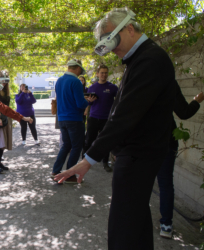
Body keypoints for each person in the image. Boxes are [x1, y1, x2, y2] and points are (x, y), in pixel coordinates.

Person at [55, 7, 176, 250]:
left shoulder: (149, 60)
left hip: (138, 155)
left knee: (124, 224)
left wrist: (88, 158)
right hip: (135, 152)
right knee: (136, 220)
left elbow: (124, 116)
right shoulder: (142, 58)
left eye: (111, 38)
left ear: (130, 28)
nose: (110, 47)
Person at [158, 83, 203, 238]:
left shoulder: (139, 77)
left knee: (141, 181)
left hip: (145, 141)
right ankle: (166, 225)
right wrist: (199, 98)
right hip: (166, 139)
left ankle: (137, 222)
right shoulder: (169, 82)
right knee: (165, 184)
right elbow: (184, 112)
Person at [50, 59, 94, 183]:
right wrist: (88, 101)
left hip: (62, 118)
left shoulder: (59, 80)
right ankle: (69, 175)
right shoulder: (76, 81)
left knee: (66, 145)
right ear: (78, 68)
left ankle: (55, 171)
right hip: (74, 118)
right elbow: (80, 104)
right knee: (76, 146)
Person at [82, 64, 118, 172]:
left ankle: (105, 162)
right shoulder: (92, 87)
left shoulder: (112, 87)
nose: (104, 75)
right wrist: (90, 101)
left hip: (106, 119)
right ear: (97, 74)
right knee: (89, 140)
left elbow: (119, 100)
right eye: (102, 73)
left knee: (105, 142)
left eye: (106, 73)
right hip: (93, 118)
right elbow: (88, 103)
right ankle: (83, 160)